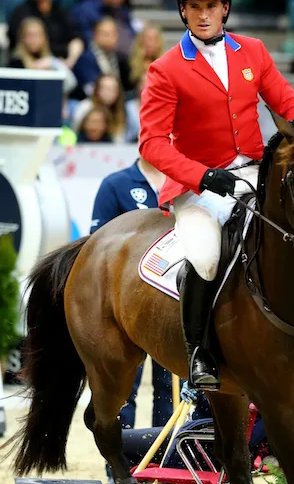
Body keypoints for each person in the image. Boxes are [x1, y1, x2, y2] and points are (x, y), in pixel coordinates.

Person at [138, 0, 294, 391]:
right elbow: (152, 144)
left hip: (252, 170)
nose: (203, 15)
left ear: (225, 9)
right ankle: (198, 351)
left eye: (211, 6)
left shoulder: (253, 51)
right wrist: (201, 175)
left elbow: (287, 103)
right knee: (205, 256)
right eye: (194, 7)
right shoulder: (166, 69)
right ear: (182, 11)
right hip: (199, 184)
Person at [89, 156, 174, 430]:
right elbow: (95, 248)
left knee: (169, 388)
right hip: (123, 309)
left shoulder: (183, 182)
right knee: (122, 387)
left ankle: (164, 452)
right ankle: (122, 452)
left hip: (168, 304)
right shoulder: (115, 185)